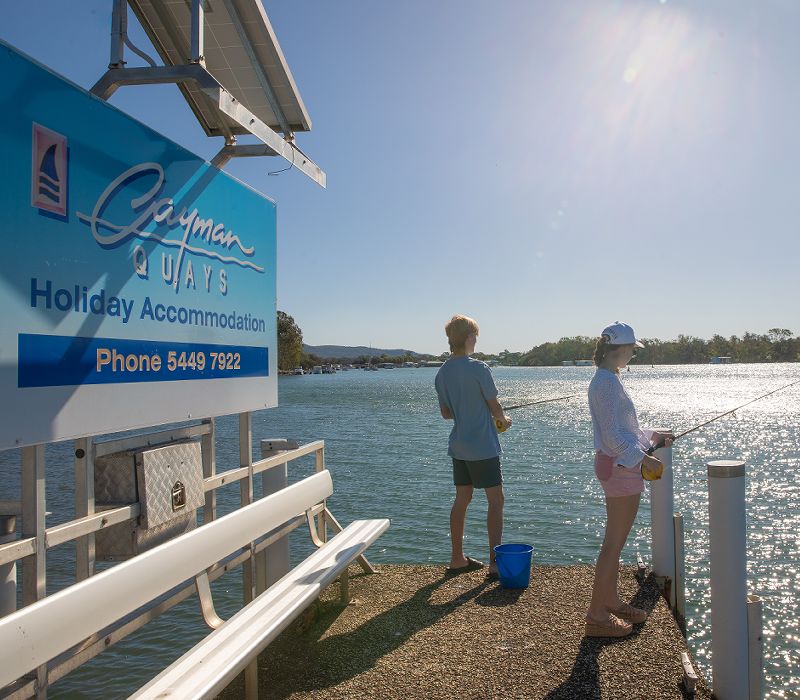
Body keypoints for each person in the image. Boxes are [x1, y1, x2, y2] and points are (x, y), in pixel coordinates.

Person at [585, 321, 673, 637]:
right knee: (613, 544)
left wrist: (653, 436)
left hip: (619, 465)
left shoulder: (608, 379)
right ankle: (596, 616)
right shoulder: (606, 383)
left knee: (616, 542)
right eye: (632, 349)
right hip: (621, 468)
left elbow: (624, 429)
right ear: (619, 348)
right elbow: (611, 435)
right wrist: (643, 457)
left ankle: (609, 600)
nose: (633, 354)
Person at [435, 314, 512, 577]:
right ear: (469, 338)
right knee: (496, 501)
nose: (476, 340)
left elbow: (446, 413)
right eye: (475, 336)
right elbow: (495, 408)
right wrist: (503, 420)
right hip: (483, 447)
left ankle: (457, 558)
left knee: (462, 499)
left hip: (459, 447)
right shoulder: (479, 368)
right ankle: (494, 563)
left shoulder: (442, 372)